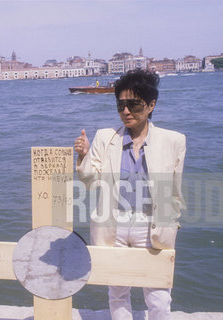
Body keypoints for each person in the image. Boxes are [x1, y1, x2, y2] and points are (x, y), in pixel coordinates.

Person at [74, 69, 186, 320]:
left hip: (152, 225)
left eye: (133, 104)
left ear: (151, 105)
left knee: (158, 295)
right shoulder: (106, 137)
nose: (126, 111)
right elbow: (91, 181)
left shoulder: (174, 141)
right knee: (118, 291)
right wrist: (83, 156)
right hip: (114, 224)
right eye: (121, 105)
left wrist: (172, 221)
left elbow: (175, 190)